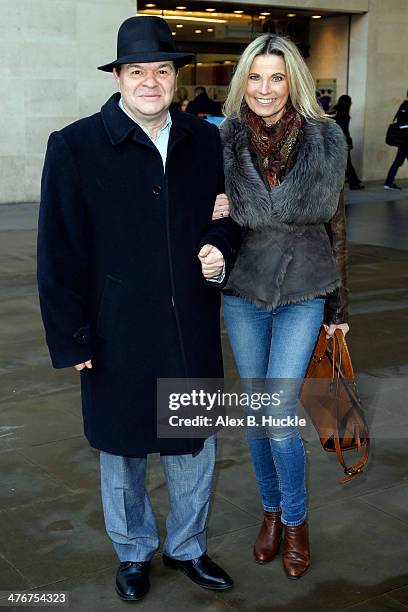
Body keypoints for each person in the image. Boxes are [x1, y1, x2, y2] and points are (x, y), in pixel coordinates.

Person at [37, 16, 240, 603]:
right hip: (114, 329)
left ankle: (188, 547)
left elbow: (226, 220)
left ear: (175, 78)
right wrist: (72, 339)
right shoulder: (74, 145)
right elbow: (58, 250)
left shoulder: (206, 139)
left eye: (161, 70)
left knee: (192, 445)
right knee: (123, 449)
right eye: (137, 71)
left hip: (188, 321)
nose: (150, 81)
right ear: (120, 78)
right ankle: (132, 553)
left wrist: (218, 250)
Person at [219, 34, 349, 579]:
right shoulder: (222, 140)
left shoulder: (325, 138)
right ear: (241, 81)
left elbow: (337, 223)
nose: (265, 89)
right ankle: (270, 512)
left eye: (276, 77)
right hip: (243, 290)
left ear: (292, 80)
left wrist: (340, 307)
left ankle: (295, 521)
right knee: (256, 414)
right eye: (254, 77)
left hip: (304, 288)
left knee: (276, 414)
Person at [332, 94, 364, 190]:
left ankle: (354, 181)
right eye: (350, 102)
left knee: (345, 163)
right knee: (347, 164)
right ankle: (354, 182)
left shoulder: (335, 112)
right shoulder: (343, 115)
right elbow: (344, 130)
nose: (351, 103)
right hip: (343, 141)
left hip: (337, 141)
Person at [384, 89, 408, 190]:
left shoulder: (403, 105)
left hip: (403, 139)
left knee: (398, 161)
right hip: (406, 139)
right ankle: (389, 182)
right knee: (398, 161)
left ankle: (389, 182)